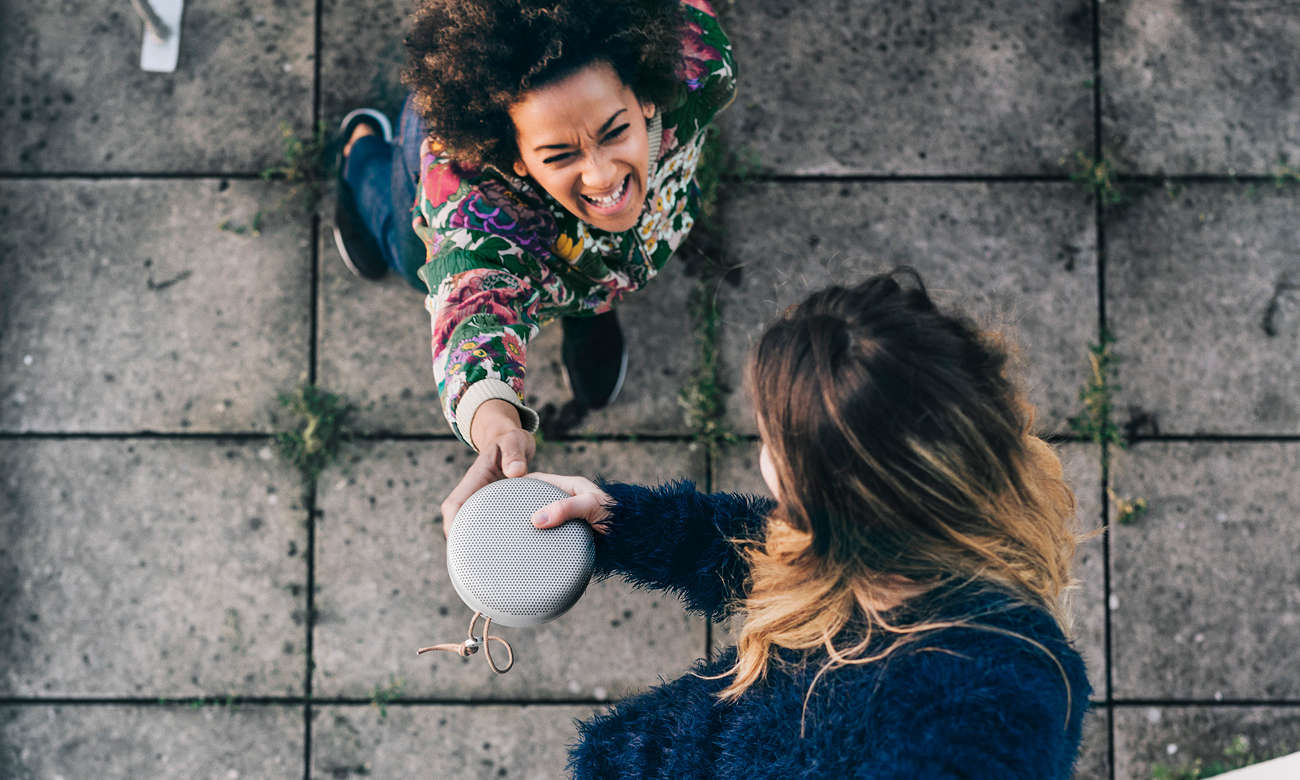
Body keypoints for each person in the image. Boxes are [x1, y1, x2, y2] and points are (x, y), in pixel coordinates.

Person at [521, 269, 1092, 778]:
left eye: (775, 447)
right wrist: (620, 518)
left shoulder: (973, 721)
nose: (765, 464)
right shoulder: (937, 536)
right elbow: (782, 560)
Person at [331, 0, 736, 526]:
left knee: (586, 277)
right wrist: (494, 419)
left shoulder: (703, 70)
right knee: (407, 254)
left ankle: (591, 304)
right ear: (515, 157)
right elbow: (471, 304)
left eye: (615, 132)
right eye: (560, 155)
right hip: (438, 152)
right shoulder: (470, 207)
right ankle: (358, 154)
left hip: (592, 261)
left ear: (648, 99)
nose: (600, 176)